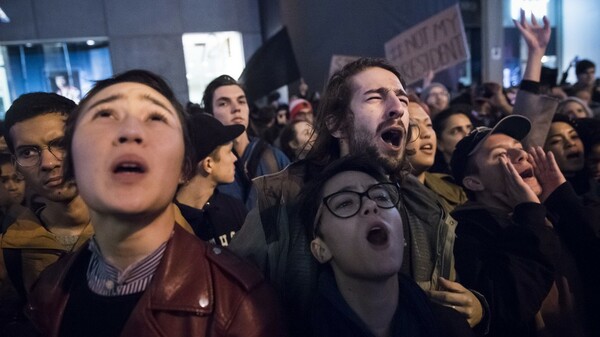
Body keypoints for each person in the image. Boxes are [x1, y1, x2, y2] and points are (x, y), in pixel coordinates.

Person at [229, 57, 486, 336]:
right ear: (337, 124)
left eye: (401, 98)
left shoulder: (426, 206)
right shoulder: (281, 199)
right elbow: (232, 304)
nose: (398, 108)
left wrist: (478, 309)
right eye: (375, 97)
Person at [26, 69, 284, 337]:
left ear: (184, 165)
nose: (130, 133)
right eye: (104, 117)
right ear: (71, 162)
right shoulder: (47, 293)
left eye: (155, 119)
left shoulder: (239, 305)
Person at [450, 115, 593, 337]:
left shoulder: (546, 212)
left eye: (519, 148)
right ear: (474, 182)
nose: (521, 154)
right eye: (500, 155)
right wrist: (528, 212)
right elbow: (509, 307)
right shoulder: (466, 233)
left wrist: (562, 197)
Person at [300, 154, 474, 337]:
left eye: (382, 197)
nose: (371, 204)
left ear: (402, 237)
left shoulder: (450, 327)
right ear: (320, 250)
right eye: (345, 203)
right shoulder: (298, 329)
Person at [0, 92, 92, 335]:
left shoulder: (143, 227)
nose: (48, 162)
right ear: (16, 163)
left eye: (60, 144)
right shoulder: (11, 249)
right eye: (28, 152)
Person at [201, 75, 290, 209]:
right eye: (224, 103)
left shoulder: (275, 158)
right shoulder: (205, 166)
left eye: (241, 101)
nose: (236, 108)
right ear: (210, 114)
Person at [175, 113, 247, 247]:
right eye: (229, 151)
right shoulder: (168, 222)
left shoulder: (234, 208)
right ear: (208, 164)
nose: (235, 158)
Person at [407, 101, 467, 211]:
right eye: (413, 125)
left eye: (429, 125)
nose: (427, 133)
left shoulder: (453, 189)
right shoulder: (383, 200)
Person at [430, 106, 474, 174]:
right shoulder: (434, 179)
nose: (467, 134)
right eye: (456, 131)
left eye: (469, 128)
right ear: (439, 144)